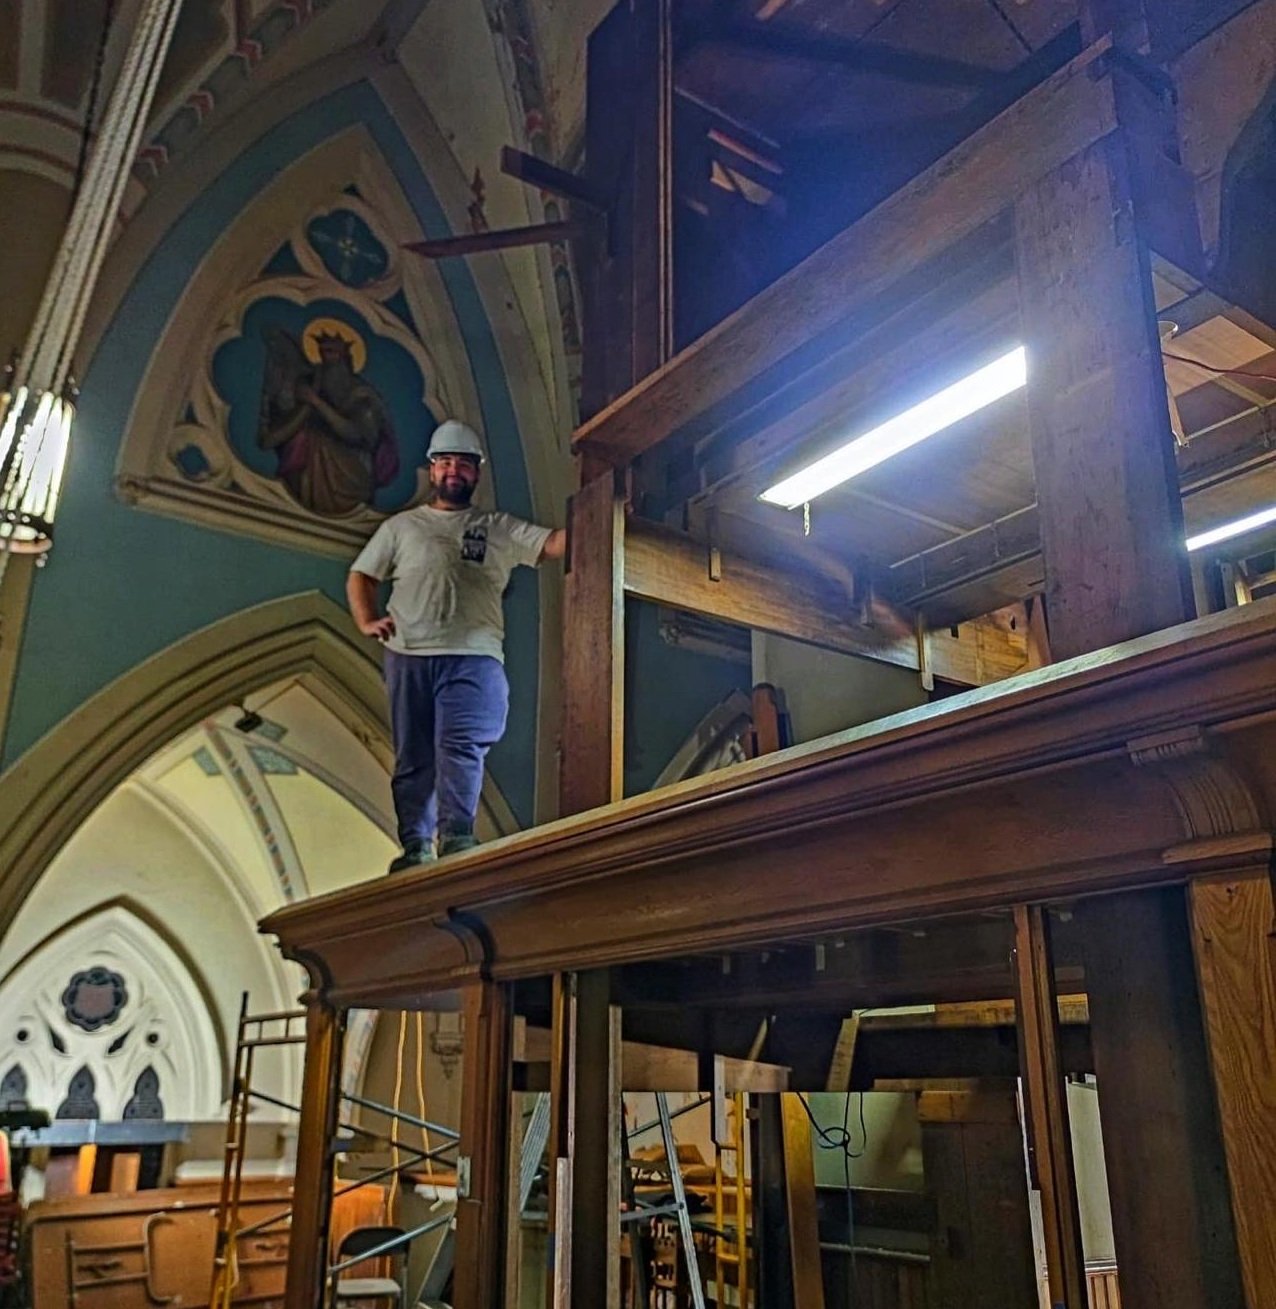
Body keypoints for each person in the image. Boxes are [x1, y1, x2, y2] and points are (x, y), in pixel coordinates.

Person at [347, 419, 565, 872]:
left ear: (476, 474)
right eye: (445, 462)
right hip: (410, 653)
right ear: (431, 470)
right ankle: (415, 845)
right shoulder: (402, 527)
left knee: (460, 746)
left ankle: (457, 835)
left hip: (474, 653)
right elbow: (362, 574)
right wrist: (366, 619)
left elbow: (553, 544)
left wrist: (602, 510)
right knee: (414, 753)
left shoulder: (496, 527)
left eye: (462, 464)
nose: (453, 472)